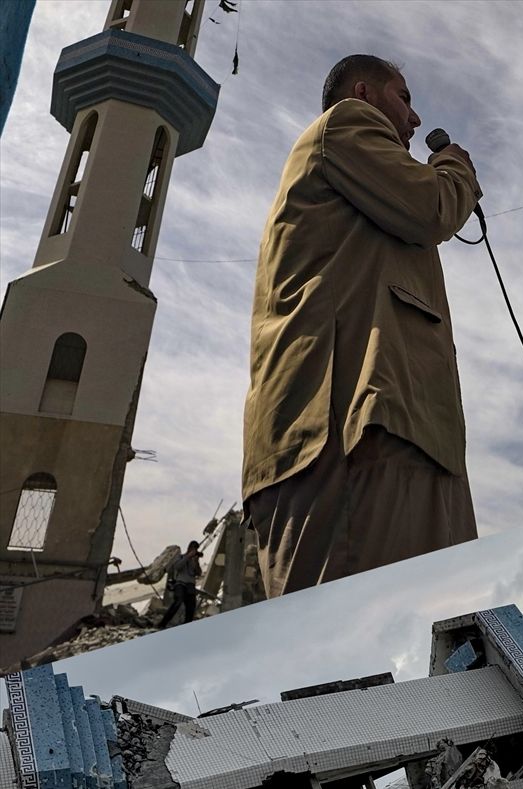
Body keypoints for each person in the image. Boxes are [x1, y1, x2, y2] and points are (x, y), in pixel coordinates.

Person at [241, 55, 484, 597]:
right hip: (356, 431)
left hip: (371, 431)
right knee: (370, 658)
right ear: (364, 93)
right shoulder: (347, 124)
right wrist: (455, 166)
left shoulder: (351, 174)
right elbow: (430, 207)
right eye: (405, 98)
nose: (416, 120)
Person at [159, 541, 202, 628]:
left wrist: (196, 562)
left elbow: (198, 573)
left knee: (191, 607)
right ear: (189, 548)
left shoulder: (194, 561)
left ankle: (186, 626)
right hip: (180, 584)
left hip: (190, 585)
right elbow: (177, 567)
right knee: (178, 601)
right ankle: (163, 623)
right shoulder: (181, 557)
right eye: (193, 548)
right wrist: (188, 556)